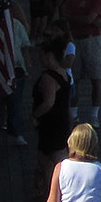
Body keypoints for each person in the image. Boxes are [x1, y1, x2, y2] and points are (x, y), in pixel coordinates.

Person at [61, 0, 101, 124]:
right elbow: (90, 19)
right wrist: (89, 19)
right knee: (74, 78)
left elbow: (88, 19)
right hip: (76, 39)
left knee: (96, 78)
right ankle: (74, 113)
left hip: (92, 39)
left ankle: (95, 114)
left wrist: (77, 18)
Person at [31, 38, 74, 191]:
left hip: (51, 123)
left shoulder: (48, 77)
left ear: (49, 56)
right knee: (47, 159)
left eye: (41, 55)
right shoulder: (64, 74)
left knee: (55, 160)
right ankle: (49, 190)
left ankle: (58, 193)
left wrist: (35, 115)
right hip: (61, 121)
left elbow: (49, 102)